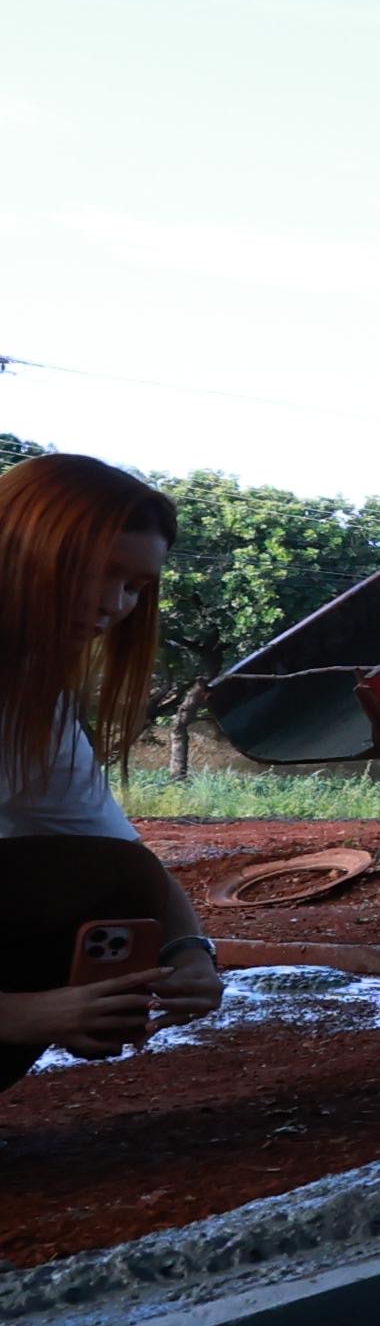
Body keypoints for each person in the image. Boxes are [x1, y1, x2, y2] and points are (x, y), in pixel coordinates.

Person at [0, 453, 227, 1092]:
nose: (111, 603)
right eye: (93, 570)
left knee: (108, 874)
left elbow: (122, 862)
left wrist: (191, 955)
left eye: (134, 586)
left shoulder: (32, 703)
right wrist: (25, 1014)